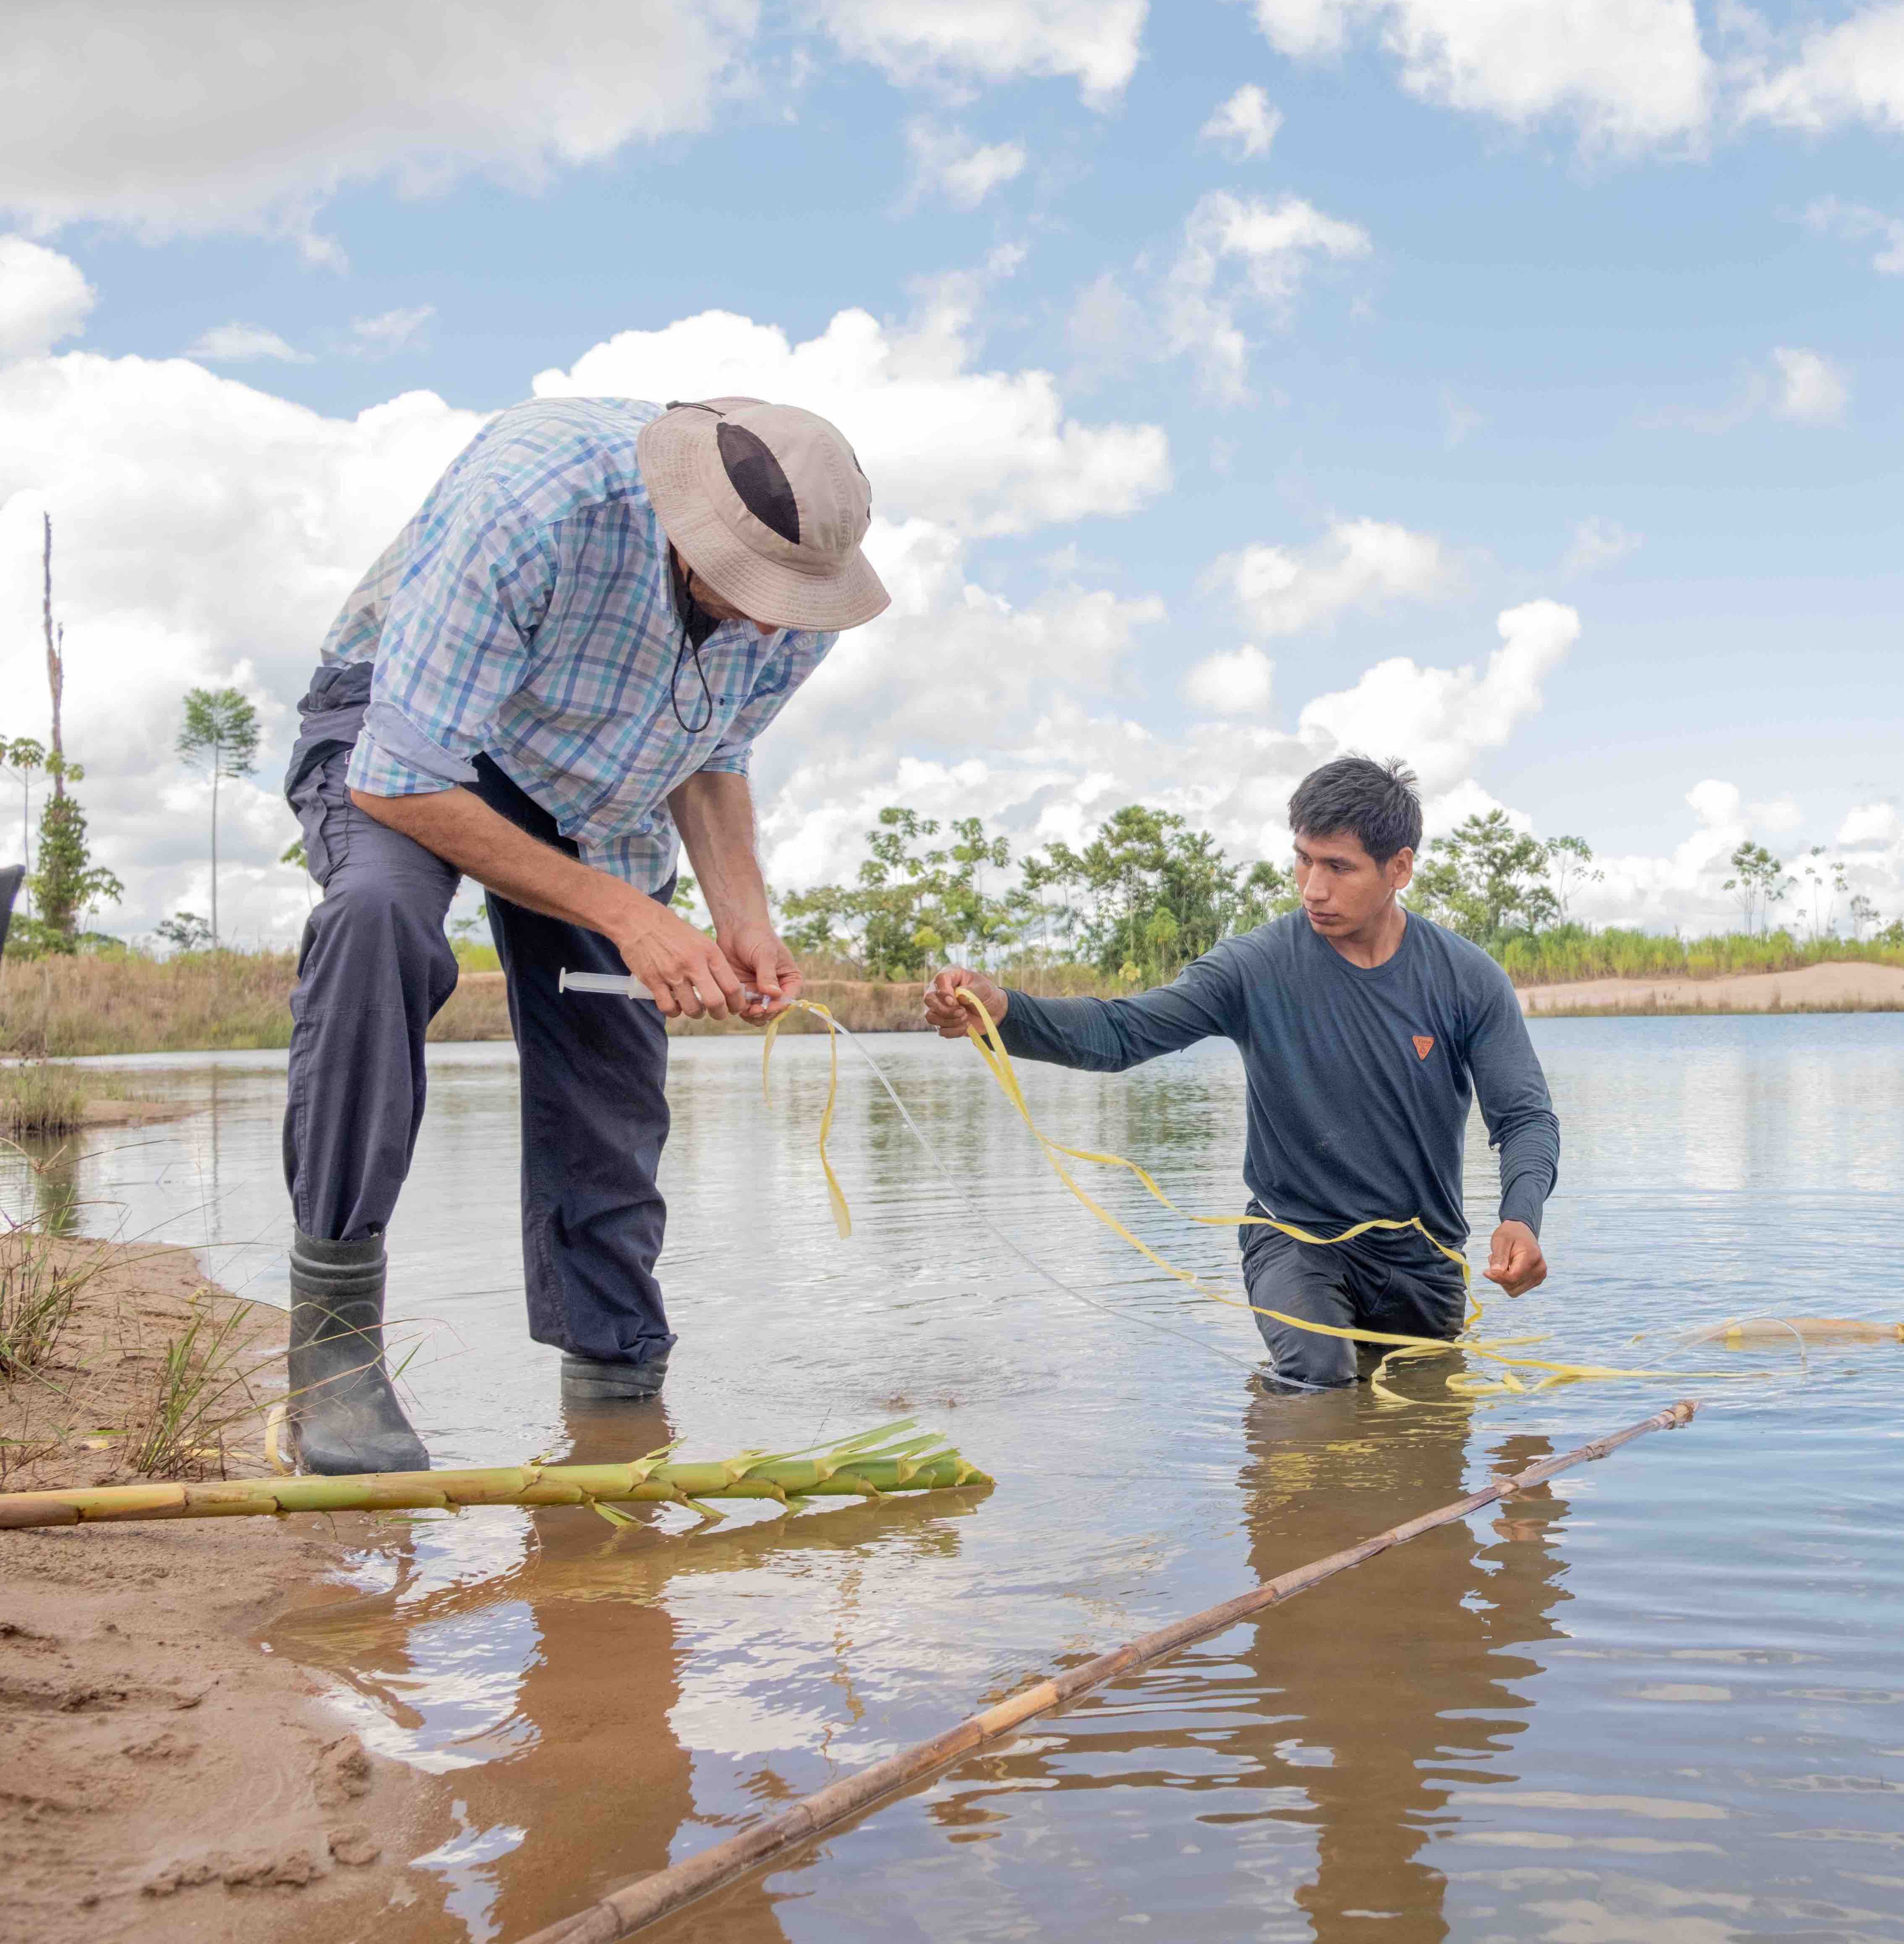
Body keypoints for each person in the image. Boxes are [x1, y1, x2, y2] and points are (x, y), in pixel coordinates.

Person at [280, 394, 890, 1474]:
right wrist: (629, 913)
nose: (768, 626)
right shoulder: (533, 506)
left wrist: (742, 922)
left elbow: (714, 756)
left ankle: (617, 1399)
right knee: (377, 922)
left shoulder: (792, 609)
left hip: (600, 777)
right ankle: (334, 1349)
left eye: (790, 605)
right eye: (749, 593)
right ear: (684, 529)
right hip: (409, 736)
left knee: (611, 1064)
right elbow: (400, 777)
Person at [923, 756, 1560, 1388]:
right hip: (1295, 1239)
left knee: (1424, 1434)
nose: (1313, 887)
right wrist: (1005, 1012)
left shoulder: (1466, 979)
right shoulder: (1254, 966)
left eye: (1338, 867)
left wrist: (1520, 1217)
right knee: (1318, 1374)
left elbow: (1525, 1116)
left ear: (1400, 868)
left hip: (1426, 1263)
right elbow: (1124, 1032)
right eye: (1303, 859)